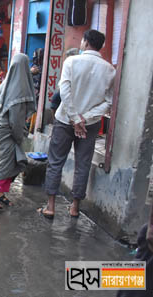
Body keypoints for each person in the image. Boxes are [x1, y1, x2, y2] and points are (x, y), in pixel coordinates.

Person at [39, 30, 115, 219]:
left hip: (65, 120)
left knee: (56, 162)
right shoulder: (109, 70)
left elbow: (64, 92)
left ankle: (50, 206)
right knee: (83, 164)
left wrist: (75, 117)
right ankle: (74, 207)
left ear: (85, 42)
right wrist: (85, 118)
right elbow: (109, 102)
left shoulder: (71, 62)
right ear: (101, 46)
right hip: (89, 125)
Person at [0, 54, 36, 210]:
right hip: (7, 130)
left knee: (15, 161)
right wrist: (19, 137)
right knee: (5, 162)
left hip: (1, 128)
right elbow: (16, 121)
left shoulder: (7, 83)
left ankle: (0, 194)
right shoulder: (20, 89)